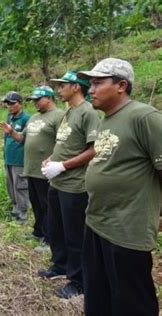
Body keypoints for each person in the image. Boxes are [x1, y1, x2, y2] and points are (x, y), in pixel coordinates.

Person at [77, 58, 161, 315]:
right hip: (97, 222)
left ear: (121, 85)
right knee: (99, 295)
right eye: (90, 84)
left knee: (132, 302)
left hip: (126, 230)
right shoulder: (106, 119)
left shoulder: (144, 117)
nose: (90, 89)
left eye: (98, 83)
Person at [37, 70, 100, 298]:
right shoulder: (68, 113)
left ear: (76, 87)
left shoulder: (88, 112)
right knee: (57, 228)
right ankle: (60, 266)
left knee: (75, 235)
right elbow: (64, 143)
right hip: (57, 183)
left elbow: (94, 149)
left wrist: (63, 166)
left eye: (63, 85)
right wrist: (52, 159)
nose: (59, 89)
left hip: (75, 185)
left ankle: (78, 281)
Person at [0, 86, 64, 251]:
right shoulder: (34, 117)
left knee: (47, 205)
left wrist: (54, 159)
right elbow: (22, 139)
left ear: (49, 98)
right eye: (33, 100)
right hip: (31, 169)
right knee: (36, 203)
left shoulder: (59, 116)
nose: (34, 103)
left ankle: (50, 239)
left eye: (38, 99)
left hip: (46, 171)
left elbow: (64, 142)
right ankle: (38, 231)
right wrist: (11, 132)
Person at [1, 91, 30, 223]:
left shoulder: (26, 119)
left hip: (19, 159)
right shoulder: (9, 118)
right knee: (10, 184)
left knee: (20, 186)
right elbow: (6, 137)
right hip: (9, 158)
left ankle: (23, 213)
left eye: (12, 103)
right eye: (7, 104)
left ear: (20, 104)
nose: (10, 106)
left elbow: (27, 139)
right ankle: (15, 208)